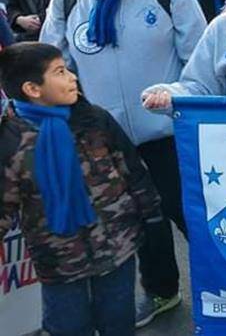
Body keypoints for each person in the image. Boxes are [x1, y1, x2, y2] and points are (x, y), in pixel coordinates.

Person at [37, 0, 207, 328]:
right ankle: (163, 291)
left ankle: (224, 287)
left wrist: (178, 95)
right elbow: (55, 62)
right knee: (139, 221)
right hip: (105, 143)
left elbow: (201, 59)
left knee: (191, 215)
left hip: (171, 131)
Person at [0, 42, 162, 336]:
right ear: (32, 89)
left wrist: (151, 213)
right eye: (60, 72)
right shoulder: (11, 141)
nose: (72, 77)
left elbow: (131, 168)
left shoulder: (93, 119)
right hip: (59, 258)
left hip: (117, 244)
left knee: (118, 322)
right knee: (68, 327)